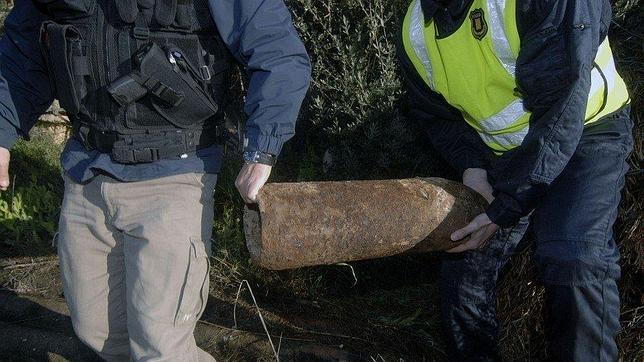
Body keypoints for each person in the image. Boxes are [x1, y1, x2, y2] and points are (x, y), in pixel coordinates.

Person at [0, 0, 310, 360]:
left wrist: (262, 150)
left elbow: (279, 52)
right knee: (97, 334)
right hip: (87, 171)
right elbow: (20, 55)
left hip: (174, 177)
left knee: (161, 347)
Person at [396, 0, 633, 360]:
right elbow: (436, 115)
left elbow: (562, 102)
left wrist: (508, 203)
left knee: (574, 259)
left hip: (586, 133)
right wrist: (471, 168)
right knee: (463, 272)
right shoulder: (415, 29)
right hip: (503, 156)